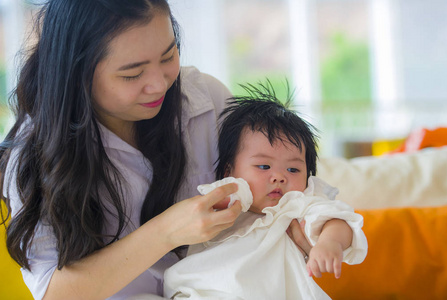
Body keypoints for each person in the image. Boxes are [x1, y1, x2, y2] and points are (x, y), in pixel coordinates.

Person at [0, 1, 247, 299]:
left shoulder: (208, 100)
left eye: (168, 56)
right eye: (132, 74)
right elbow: (55, 293)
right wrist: (167, 231)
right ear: (77, 74)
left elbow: (287, 183)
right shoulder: (37, 154)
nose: (158, 85)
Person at [163, 82, 368, 299]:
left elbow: (338, 220)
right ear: (229, 171)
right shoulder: (229, 196)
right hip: (204, 291)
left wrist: (329, 243)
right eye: (264, 166)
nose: (279, 176)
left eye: (293, 169)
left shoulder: (298, 204)